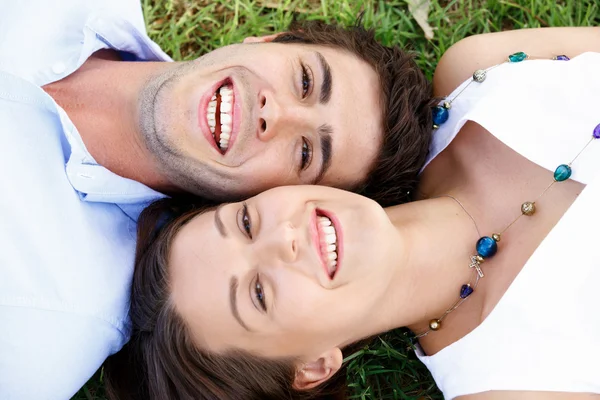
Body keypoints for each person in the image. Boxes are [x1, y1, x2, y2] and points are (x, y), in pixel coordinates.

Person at [104, 28, 600, 399]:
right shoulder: (515, 383)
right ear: (312, 366)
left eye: (247, 223)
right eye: (258, 293)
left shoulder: (478, 74)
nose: (283, 239)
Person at [0, 1, 433, 398]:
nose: (273, 113)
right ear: (267, 41)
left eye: (305, 154)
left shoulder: (48, 324)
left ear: (280, 194)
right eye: (304, 80)